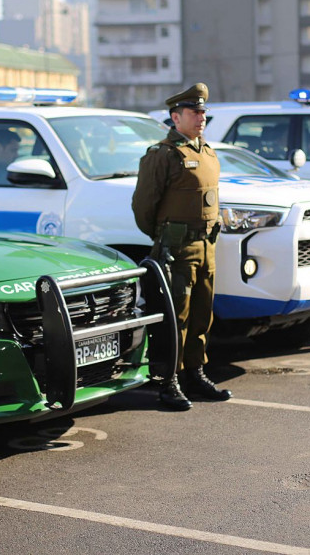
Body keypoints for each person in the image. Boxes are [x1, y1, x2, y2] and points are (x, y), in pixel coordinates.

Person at [132, 82, 231, 410]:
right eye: (194, 112)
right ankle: (170, 379)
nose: (201, 117)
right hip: (177, 250)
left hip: (206, 247)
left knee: (203, 314)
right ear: (176, 117)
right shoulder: (163, 155)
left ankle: (195, 372)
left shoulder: (207, 152)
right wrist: (165, 237)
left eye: (203, 112)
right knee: (178, 317)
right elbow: (144, 207)